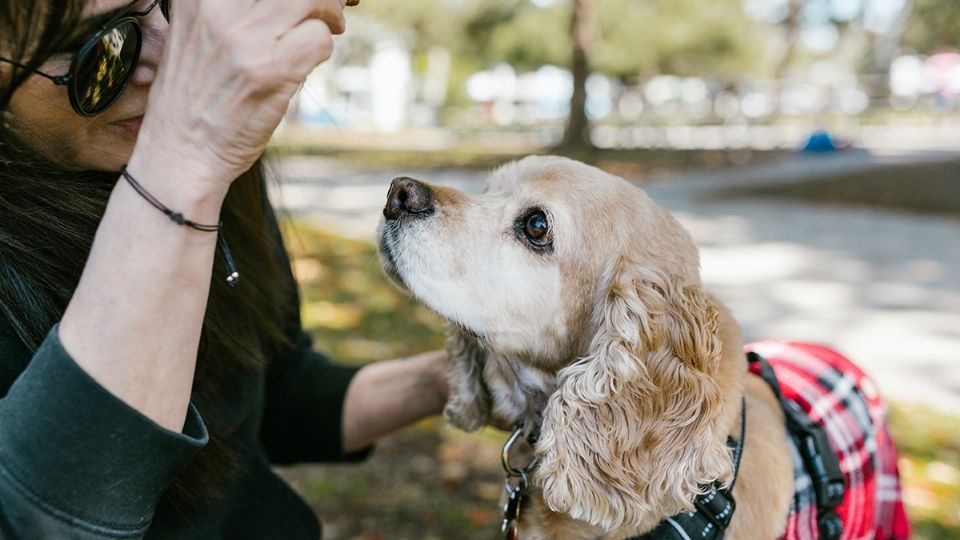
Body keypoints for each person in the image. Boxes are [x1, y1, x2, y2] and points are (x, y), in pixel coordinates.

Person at [0, 0, 449, 537]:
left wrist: (448, 381)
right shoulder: (189, 160)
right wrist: (185, 166)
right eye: (103, 42)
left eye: (169, 7)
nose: (170, 57)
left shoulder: (205, 164)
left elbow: (272, 398)